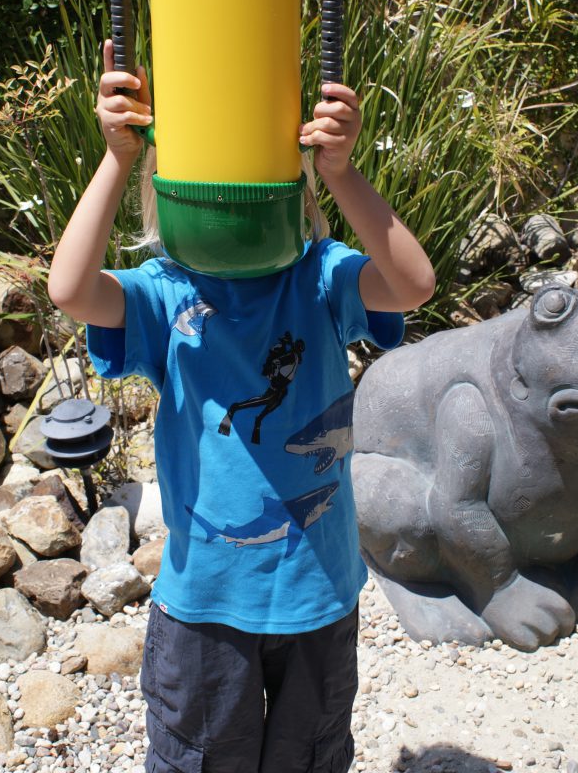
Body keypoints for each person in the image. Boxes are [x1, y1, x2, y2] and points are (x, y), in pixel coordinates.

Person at [48, 39, 436, 773]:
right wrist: (116, 159)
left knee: (309, 756)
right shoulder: (163, 292)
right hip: (204, 601)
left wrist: (342, 172)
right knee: (200, 759)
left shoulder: (320, 278)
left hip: (317, 595)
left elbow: (413, 284)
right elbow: (69, 289)